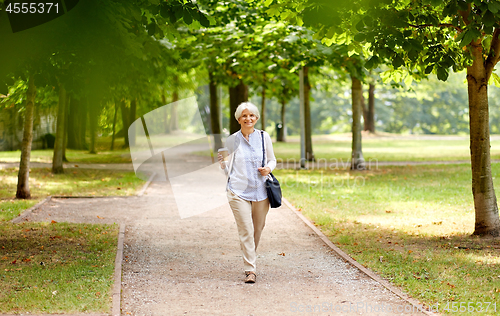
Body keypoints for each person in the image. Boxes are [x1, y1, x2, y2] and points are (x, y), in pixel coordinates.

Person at [218, 102, 276, 283]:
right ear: (238, 119)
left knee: (257, 229)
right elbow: (229, 170)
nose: (248, 118)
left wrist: (268, 168)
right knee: (246, 229)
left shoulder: (264, 137)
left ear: (256, 118)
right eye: (244, 115)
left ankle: (248, 250)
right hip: (238, 190)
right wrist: (223, 165)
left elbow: (273, 160)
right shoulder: (231, 140)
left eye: (251, 115)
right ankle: (250, 270)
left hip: (261, 190)